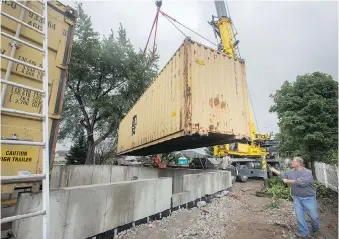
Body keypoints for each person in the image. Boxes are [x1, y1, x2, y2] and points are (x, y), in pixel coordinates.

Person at [270, 157, 320, 239]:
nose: (291, 163)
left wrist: (287, 181)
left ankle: (316, 229)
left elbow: (302, 182)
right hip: (297, 197)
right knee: (299, 216)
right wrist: (274, 170)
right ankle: (304, 234)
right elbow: (284, 174)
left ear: (298, 163)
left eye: (293, 161)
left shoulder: (307, 172)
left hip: (309, 198)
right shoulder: (291, 172)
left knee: (314, 217)